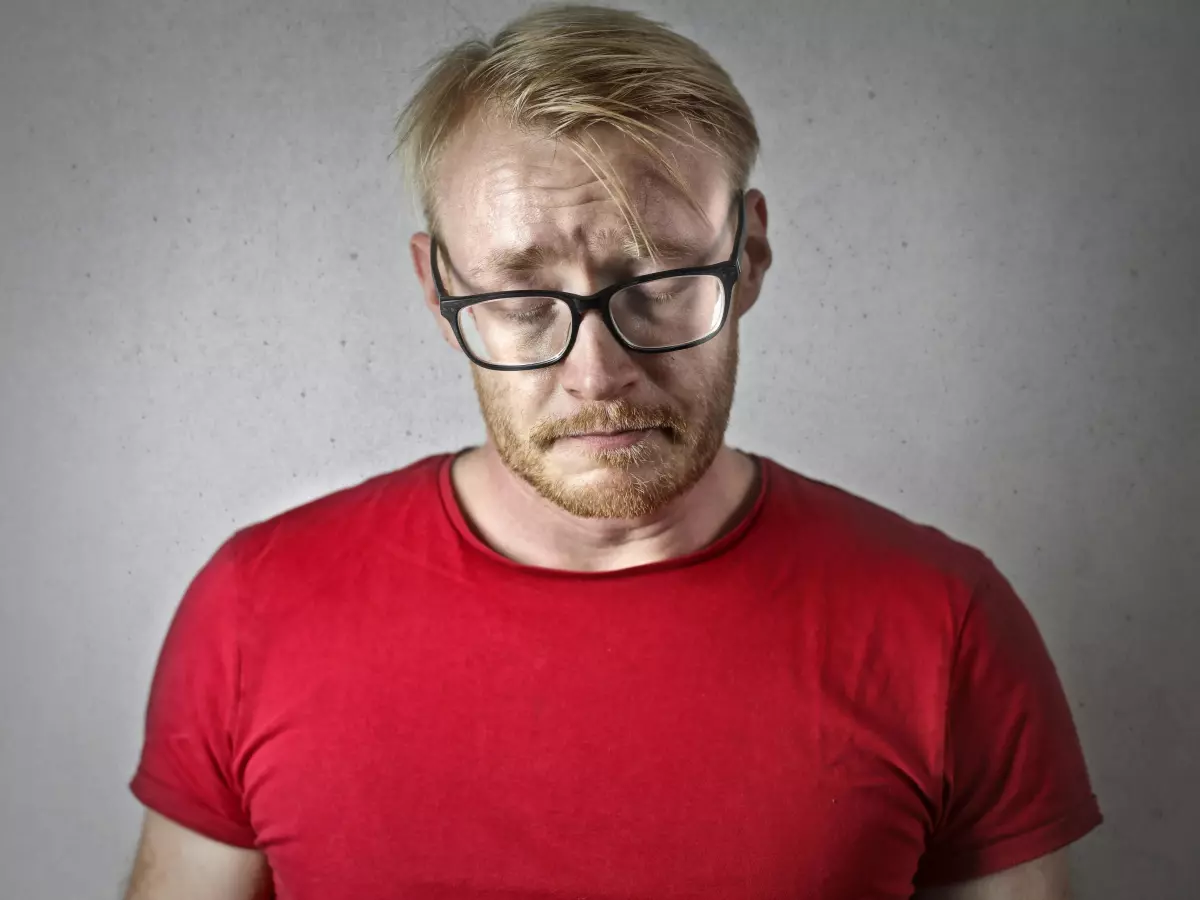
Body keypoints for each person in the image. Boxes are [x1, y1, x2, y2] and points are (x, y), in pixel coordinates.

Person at [123, 5, 1102, 898]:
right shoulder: (257, 606)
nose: (598, 372)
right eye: (517, 297)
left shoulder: (945, 622)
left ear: (748, 254)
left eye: (662, 280)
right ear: (438, 288)